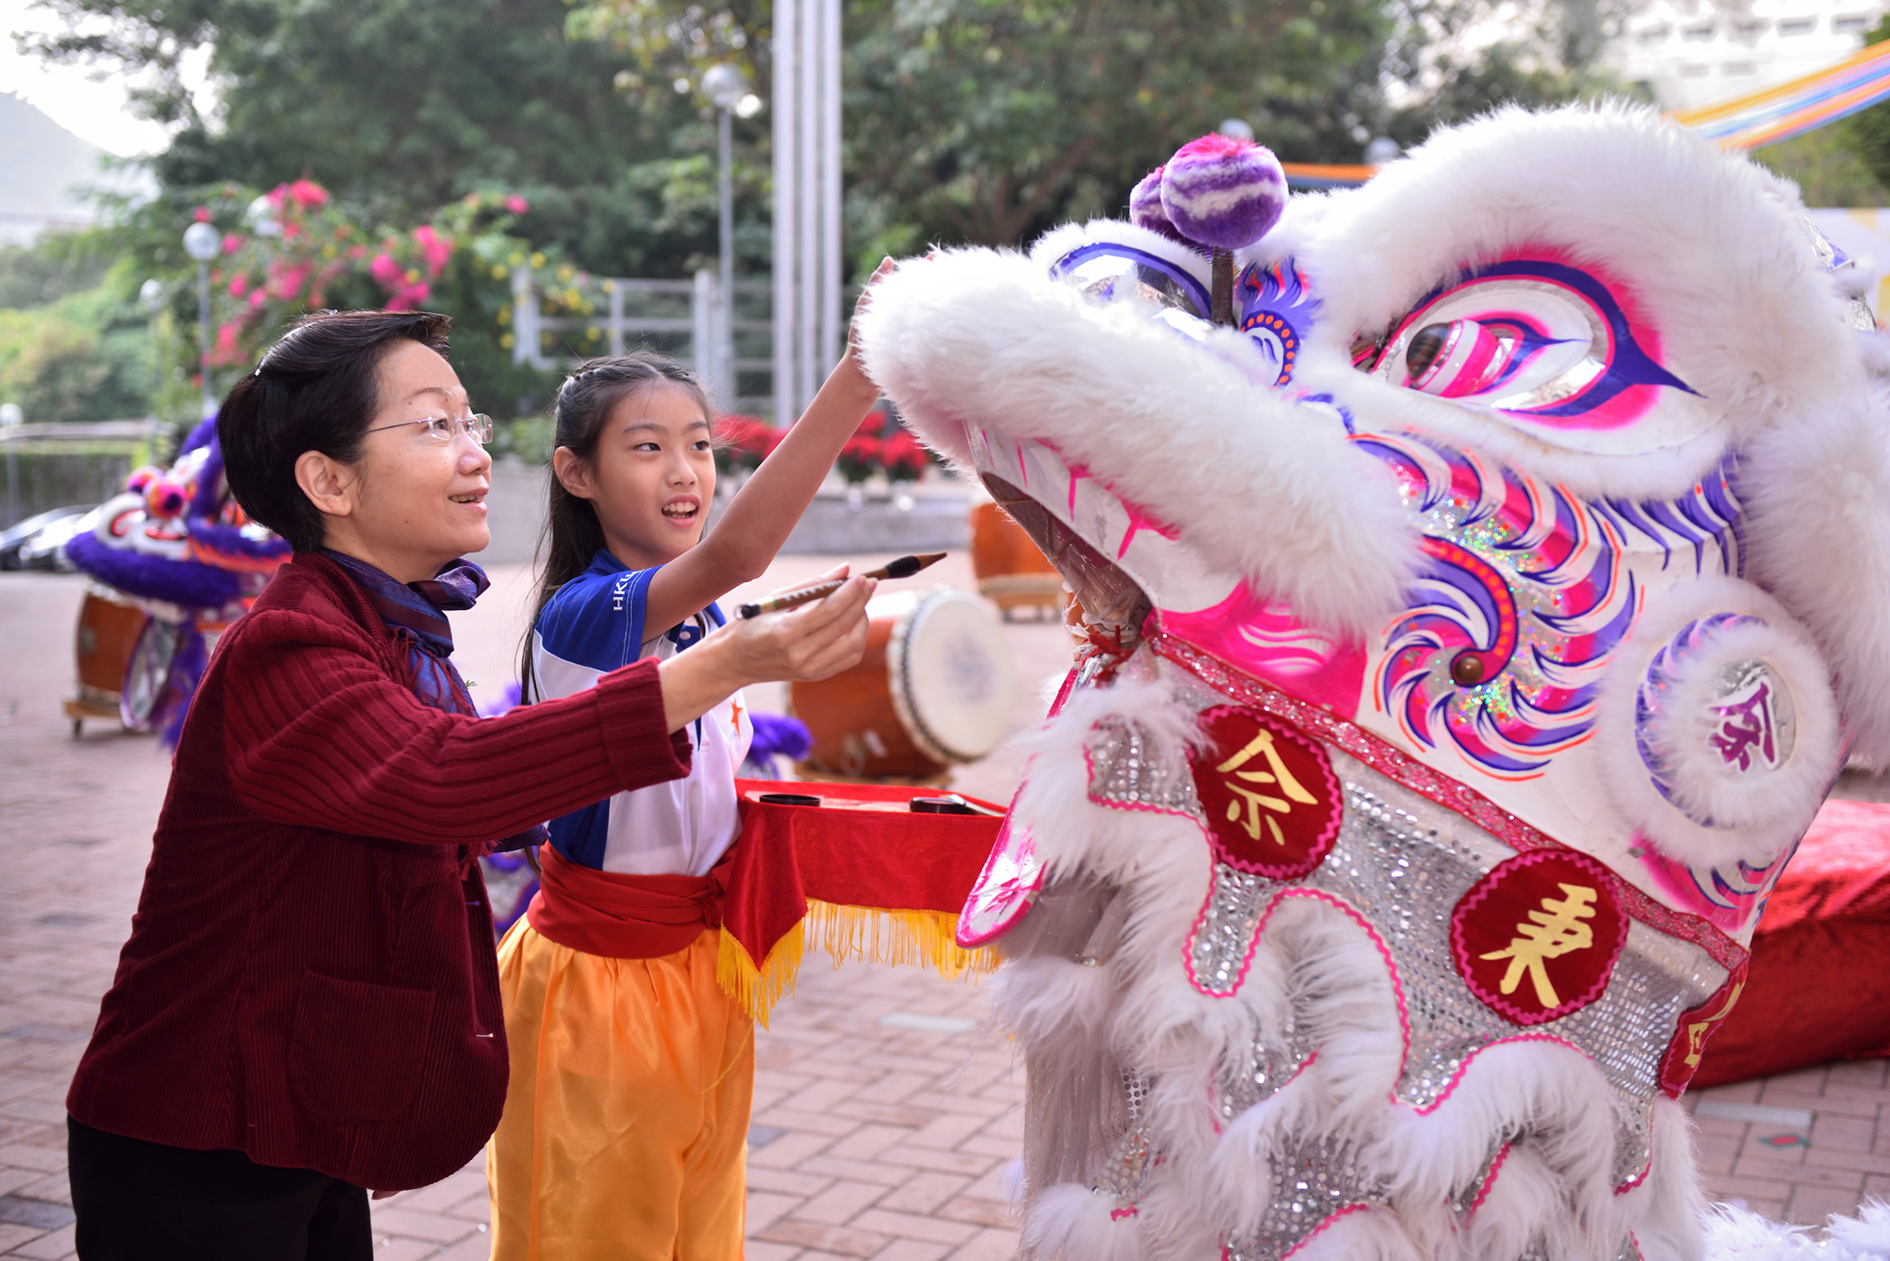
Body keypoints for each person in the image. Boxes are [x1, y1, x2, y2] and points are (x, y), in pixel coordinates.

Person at [62, 308, 873, 1261]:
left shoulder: (397, 635)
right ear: (328, 480)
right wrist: (716, 670)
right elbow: (447, 778)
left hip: (295, 1110)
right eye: (433, 425)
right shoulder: (291, 644)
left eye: (471, 421)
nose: (476, 452)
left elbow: (479, 792)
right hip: (197, 1131)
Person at [487, 262, 896, 1260]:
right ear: (576, 472)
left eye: (701, 448)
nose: (686, 473)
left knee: (699, 1234)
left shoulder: (703, 616)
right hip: (596, 988)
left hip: (699, 974)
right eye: (648, 448)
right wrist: (856, 377)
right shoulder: (584, 616)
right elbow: (735, 553)